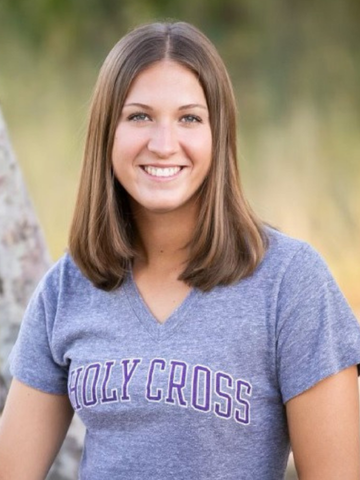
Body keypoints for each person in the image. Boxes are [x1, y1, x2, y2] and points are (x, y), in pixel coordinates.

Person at [0, 21, 360, 480]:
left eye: (189, 118)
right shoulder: (67, 288)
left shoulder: (290, 282)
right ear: (106, 132)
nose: (164, 144)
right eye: (139, 116)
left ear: (219, 134)